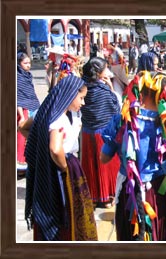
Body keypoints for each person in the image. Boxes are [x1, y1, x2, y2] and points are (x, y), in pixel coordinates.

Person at [100, 70, 166, 241]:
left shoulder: (122, 121)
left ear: (140, 92)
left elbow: (104, 157)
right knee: (162, 231)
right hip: (161, 189)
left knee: (132, 234)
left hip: (130, 192)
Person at [23, 75, 97, 241]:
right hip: (62, 167)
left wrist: (40, 143)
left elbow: (24, 127)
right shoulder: (59, 118)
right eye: (81, 98)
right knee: (64, 210)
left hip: (52, 165)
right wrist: (65, 167)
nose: (83, 103)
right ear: (69, 95)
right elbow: (56, 150)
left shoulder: (48, 110)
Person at [80, 57, 121, 209]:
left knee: (90, 164)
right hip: (102, 132)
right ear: (98, 73)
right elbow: (115, 109)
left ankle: (93, 196)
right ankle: (107, 196)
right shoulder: (102, 90)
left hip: (86, 132)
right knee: (105, 165)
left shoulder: (83, 86)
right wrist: (110, 87)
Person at [17, 52, 40, 173]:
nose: (28, 65)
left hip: (33, 107)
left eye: (29, 63)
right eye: (25, 63)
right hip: (23, 110)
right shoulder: (17, 77)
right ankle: (20, 164)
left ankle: (29, 161)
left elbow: (31, 93)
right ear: (18, 64)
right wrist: (21, 116)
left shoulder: (28, 76)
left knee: (33, 135)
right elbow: (17, 97)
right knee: (22, 138)